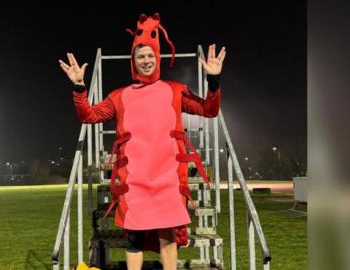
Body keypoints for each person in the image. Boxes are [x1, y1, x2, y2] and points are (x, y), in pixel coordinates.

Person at [59, 13, 226, 270]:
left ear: (157, 58)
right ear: (133, 61)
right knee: (134, 237)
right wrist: (80, 88)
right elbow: (89, 115)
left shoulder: (175, 90)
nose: (146, 60)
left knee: (168, 236)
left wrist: (213, 81)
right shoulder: (120, 95)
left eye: (150, 55)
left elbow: (209, 110)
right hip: (135, 180)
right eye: (140, 56)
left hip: (167, 178)